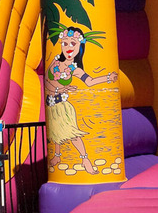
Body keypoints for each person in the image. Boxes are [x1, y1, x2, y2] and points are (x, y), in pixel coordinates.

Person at [45, 26, 117, 175]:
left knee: (72, 134)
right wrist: (59, 88)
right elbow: (46, 80)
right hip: (51, 102)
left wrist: (108, 78)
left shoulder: (75, 69)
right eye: (65, 43)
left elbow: (89, 81)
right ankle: (57, 157)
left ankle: (85, 160)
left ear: (79, 46)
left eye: (73, 44)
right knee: (56, 134)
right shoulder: (55, 62)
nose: (68, 47)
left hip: (63, 106)